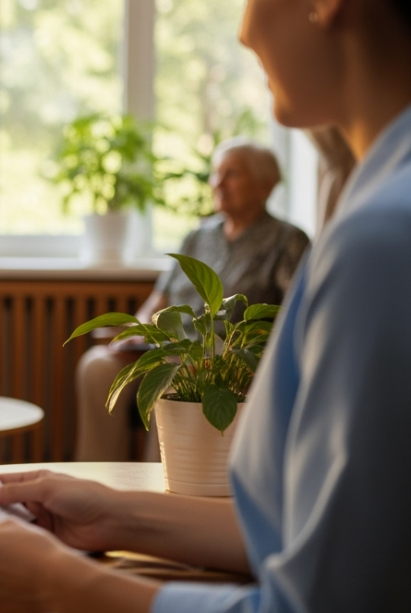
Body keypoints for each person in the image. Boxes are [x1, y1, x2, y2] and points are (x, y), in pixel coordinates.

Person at [0, 0, 411, 610]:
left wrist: (62, 587)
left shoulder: (380, 239)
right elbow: (319, 534)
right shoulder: (373, 208)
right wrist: (117, 512)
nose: (245, 29)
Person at [75, 139, 309, 461]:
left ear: (266, 185)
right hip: (168, 350)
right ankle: (98, 480)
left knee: (177, 372)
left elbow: (295, 315)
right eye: (216, 174)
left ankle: (158, 490)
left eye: (232, 174)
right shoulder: (197, 236)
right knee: (97, 366)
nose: (218, 183)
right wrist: (134, 333)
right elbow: (157, 301)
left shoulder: (287, 240)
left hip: (226, 361)